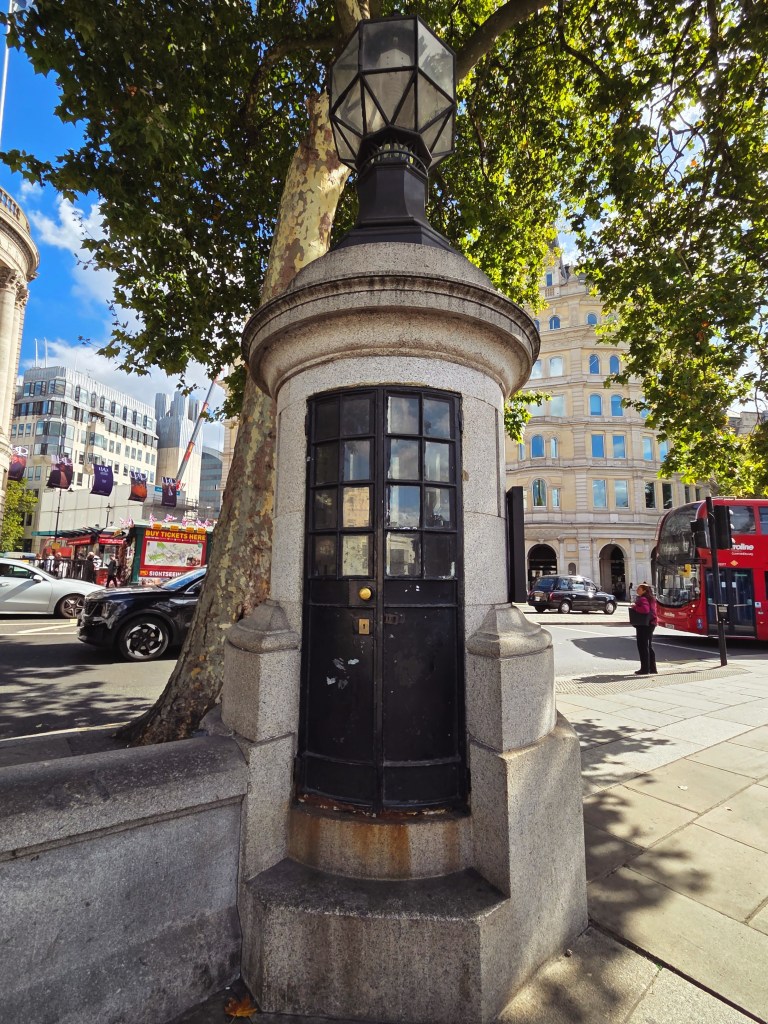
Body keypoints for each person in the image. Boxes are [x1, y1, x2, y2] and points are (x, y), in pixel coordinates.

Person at [631, 582, 658, 675]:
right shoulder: (651, 598)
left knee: (642, 646)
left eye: (639, 589)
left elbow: (645, 610)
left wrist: (635, 607)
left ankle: (645, 669)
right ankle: (652, 668)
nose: (637, 590)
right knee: (648, 646)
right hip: (651, 623)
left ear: (644, 591)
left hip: (644, 624)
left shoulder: (643, 598)